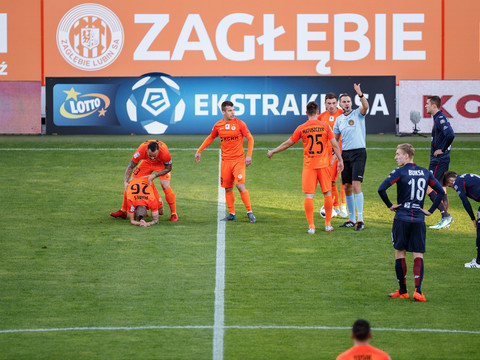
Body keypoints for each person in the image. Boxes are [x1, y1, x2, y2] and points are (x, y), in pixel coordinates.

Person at [378, 144, 445, 302]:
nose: (395, 157)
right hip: (419, 219)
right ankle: (418, 291)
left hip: (402, 217)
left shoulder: (400, 172)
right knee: (418, 254)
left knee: (399, 252)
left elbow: (381, 189)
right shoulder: (425, 172)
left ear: (406, 156)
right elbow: (440, 191)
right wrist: (430, 210)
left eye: (398, 154)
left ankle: (403, 291)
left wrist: (390, 205)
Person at [267, 101, 343, 234]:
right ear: (318, 112)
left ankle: (311, 226)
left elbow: (288, 143)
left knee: (309, 196)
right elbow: (335, 145)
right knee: (327, 193)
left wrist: (273, 151)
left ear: (306, 113)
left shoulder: (302, 127)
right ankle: (328, 224)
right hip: (324, 165)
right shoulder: (325, 126)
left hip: (309, 167)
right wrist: (340, 160)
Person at [195, 100, 256, 223]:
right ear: (223, 112)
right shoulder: (218, 125)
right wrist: (199, 150)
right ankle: (232, 213)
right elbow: (211, 137)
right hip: (225, 162)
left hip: (238, 160)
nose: (233, 112)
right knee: (228, 188)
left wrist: (248, 155)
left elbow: (250, 138)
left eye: (233, 110)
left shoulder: (240, 124)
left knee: (240, 185)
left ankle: (249, 212)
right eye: (229, 110)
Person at [110, 139, 179, 221]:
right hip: (146, 163)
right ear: (146, 150)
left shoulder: (164, 153)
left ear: (158, 151)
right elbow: (130, 166)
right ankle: (123, 211)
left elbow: (169, 168)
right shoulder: (140, 151)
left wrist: (155, 175)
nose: (153, 158)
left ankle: (174, 214)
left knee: (165, 184)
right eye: (150, 155)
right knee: (132, 183)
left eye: (155, 155)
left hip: (161, 165)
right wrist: (125, 182)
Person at [333, 83, 369, 231]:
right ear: (340, 104)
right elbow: (335, 140)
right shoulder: (339, 120)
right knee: (346, 186)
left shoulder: (358, 114)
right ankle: (351, 219)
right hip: (345, 154)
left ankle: (360, 220)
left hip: (359, 153)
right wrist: (336, 157)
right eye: (344, 102)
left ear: (351, 103)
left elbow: (366, 107)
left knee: (356, 185)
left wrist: (360, 94)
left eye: (348, 101)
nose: (346, 103)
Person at [425, 95, 455, 230]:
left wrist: (441, 150)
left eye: (427, 104)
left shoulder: (440, 118)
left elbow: (450, 134)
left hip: (439, 160)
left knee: (428, 186)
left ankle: (445, 216)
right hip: (442, 160)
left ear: (434, 106)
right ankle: (445, 220)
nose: (425, 106)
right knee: (442, 187)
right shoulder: (438, 118)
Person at [318, 92, 348, 218]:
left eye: (334, 103)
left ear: (337, 103)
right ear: (325, 103)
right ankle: (335, 207)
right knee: (331, 182)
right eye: (329, 103)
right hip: (328, 156)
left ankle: (343, 207)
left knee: (344, 181)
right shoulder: (321, 117)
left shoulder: (343, 114)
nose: (331, 106)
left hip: (342, 152)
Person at [443, 171, 480, 268]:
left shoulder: (457, 182)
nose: (453, 188)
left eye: (450, 186)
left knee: (479, 231)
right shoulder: (466, 176)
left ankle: (478, 262)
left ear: (451, 180)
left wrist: (473, 219)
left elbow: (465, 201)